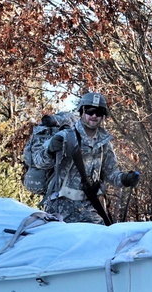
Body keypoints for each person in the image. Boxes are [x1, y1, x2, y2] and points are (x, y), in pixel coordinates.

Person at [33, 92, 140, 224]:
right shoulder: (65, 136)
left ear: (103, 115)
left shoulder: (104, 143)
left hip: (90, 208)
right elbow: (38, 162)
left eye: (99, 112)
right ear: (82, 112)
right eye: (90, 111)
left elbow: (111, 174)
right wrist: (50, 150)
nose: (94, 115)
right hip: (61, 209)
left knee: (103, 241)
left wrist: (125, 179)